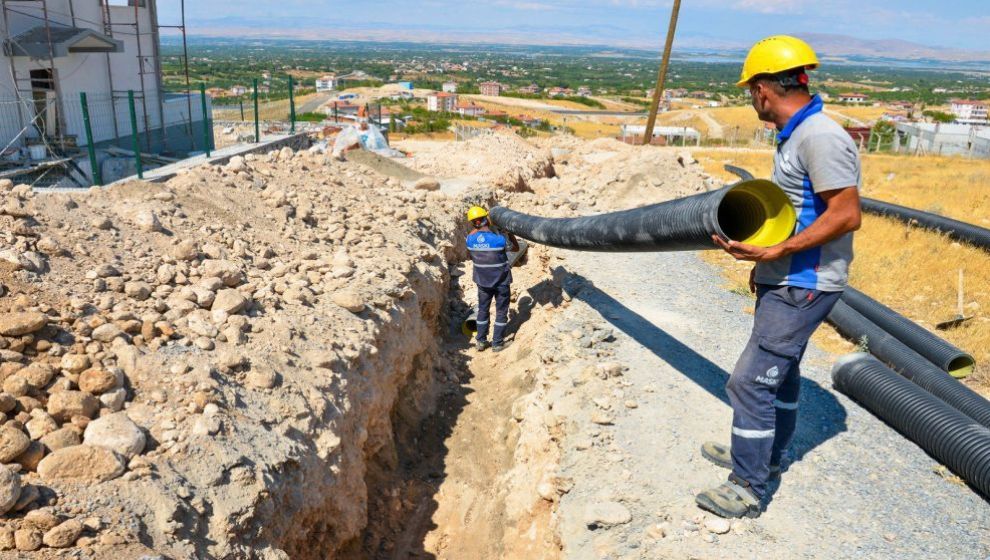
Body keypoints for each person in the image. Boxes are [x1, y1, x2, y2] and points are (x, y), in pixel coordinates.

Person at [695, 35, 863, 519]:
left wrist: (778, 253)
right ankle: (767, 455)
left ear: (766, 89)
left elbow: (846, 214)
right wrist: (767, 265)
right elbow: (798, 210)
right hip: (787, 276)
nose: (751, 98)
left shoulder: (821, 137)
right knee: (781, 374)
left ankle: (747, 484)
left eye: (751, 89)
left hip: (804, 282)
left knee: (749, 383)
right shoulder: (797, 133)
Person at [465, 206, 520, 352]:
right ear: (486, 219)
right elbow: (515, 248)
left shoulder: (470, 240)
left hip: (482, 282)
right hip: (501, 282)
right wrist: (508, 232)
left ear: (473, 223)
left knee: (483, 310)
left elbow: (473, 239)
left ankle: (481, 342)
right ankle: (497, 344)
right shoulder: (499, 240)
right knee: (501, 311)